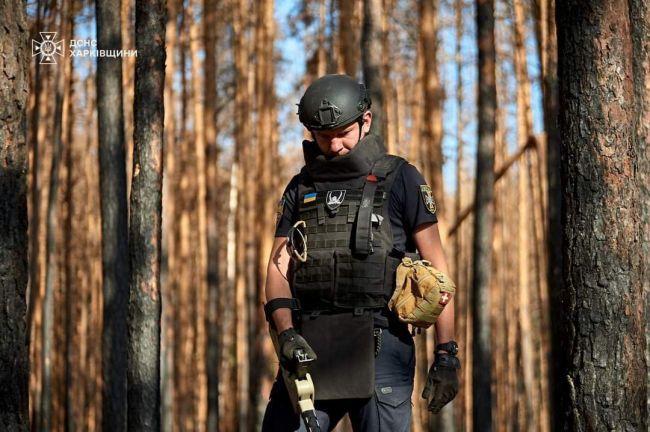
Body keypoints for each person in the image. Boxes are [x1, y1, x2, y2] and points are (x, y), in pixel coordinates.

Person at [262, 74, 459, 432]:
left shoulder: (401, 178)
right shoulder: (300, 187)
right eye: (324, 136)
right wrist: (287, 335)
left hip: (383, 349)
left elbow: (439, 270)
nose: (334, 145)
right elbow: (277, 270)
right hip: (310, 348)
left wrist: (447, 353)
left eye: (342, 134)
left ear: (365, 121)